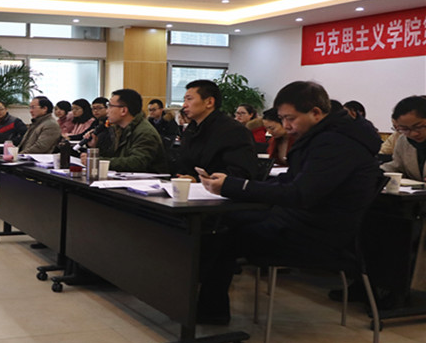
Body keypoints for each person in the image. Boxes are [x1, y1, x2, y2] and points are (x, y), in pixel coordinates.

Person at [197, 81, 382, 324]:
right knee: (221, 220)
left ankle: (209, 313)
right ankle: (203, 307)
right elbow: (291, 181)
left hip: (318, 235)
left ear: (316, 113)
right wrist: (234, 184)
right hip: (299, 220)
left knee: (221, 236)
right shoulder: (323, 136)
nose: (285, 125)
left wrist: (235, 186)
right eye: (283, 118)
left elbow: (300, 193)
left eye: (290, 118)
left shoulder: (336, 143)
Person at [173, 80, 258, 181]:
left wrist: (198, 180)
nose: (184, 105)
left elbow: (241, 173)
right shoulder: (192, 129)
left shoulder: (234, 131)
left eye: (189, 99)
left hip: (215, 189)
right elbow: (184, 164)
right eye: (184, 100)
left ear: (209, 102)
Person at [82, 89, 166, 173]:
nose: (107, 111)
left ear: (123, 111)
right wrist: (94, 147)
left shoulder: (145, 132)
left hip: (146, 179)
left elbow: (137, 163)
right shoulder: (118, 129)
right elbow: (113, 157)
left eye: (110, 106)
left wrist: (96, 161)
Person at [381, 95, 426, 181]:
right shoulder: (403, 141)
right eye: (405, 129)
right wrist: (376, 172)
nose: (413, 133)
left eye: (418, 127)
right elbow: (397, 167)